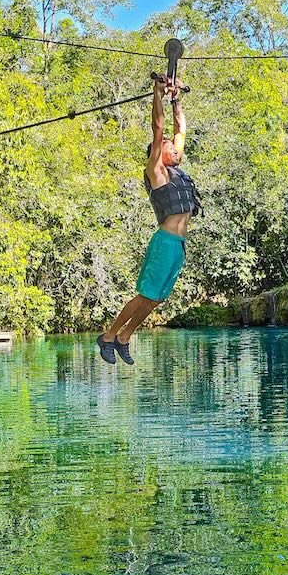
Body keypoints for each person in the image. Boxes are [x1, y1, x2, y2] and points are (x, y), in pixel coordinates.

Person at [96, 74, 200, 365]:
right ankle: (108, 336)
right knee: (146, 295)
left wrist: (176, 98)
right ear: (158, 153)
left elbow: (181, 129)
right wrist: (157, 93)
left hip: (178, 246)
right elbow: (159, 127)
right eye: (169, 146)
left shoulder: (176, 169)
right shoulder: (157, 171)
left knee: (157, 299)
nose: (175, 148)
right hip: (164, 242)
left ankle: (124, 338)